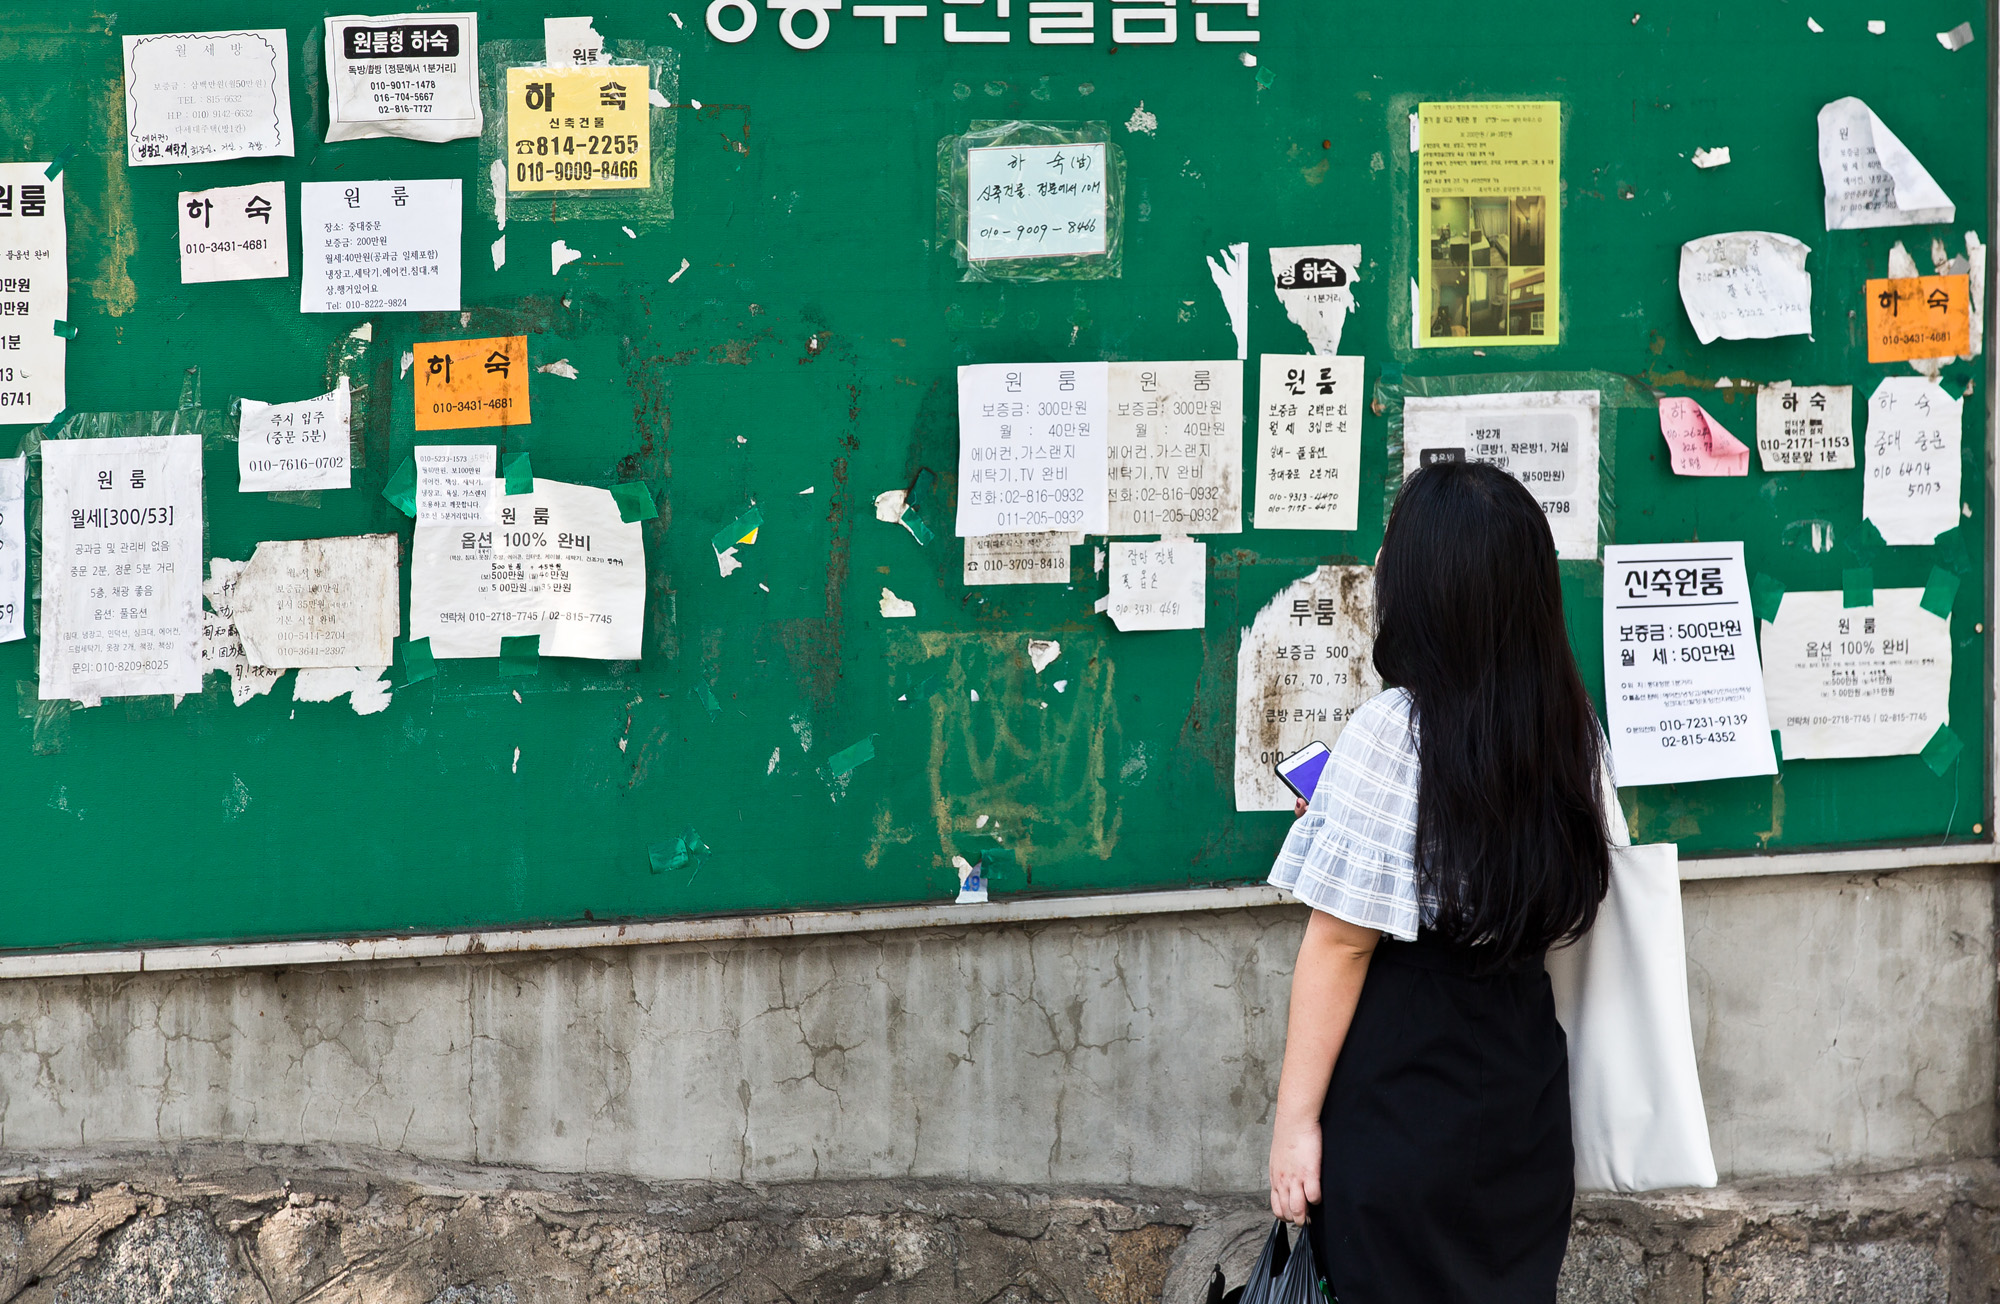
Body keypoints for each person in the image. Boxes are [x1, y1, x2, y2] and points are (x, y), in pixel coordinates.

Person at [1265, 460, 1612, 1303]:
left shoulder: (1396, 728)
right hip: (1523, 1090)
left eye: (1394, 548)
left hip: (1407, 1085)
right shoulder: (1571, 727)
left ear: (1425, 587)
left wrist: (1293, 1125)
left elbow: (1342, 944)